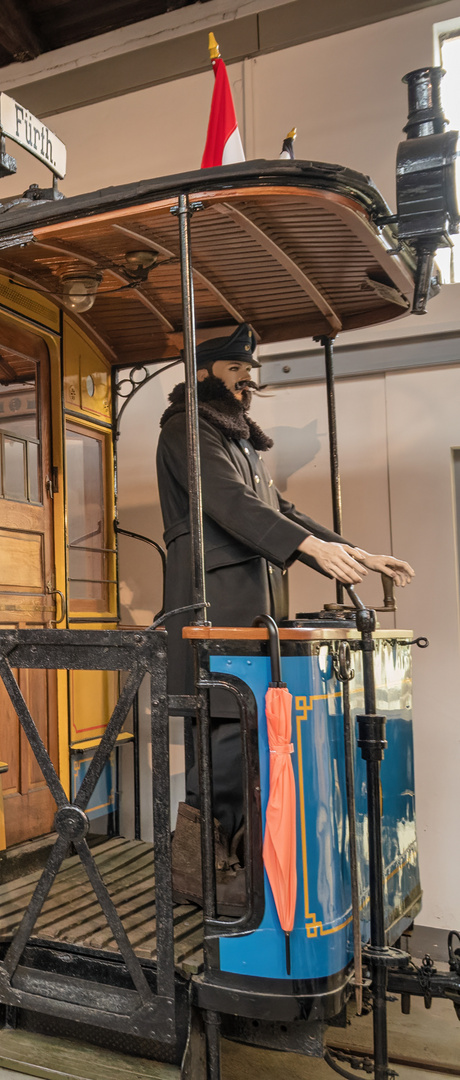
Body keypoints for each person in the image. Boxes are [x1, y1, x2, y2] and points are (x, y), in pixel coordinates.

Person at [156, 324, 414, 904]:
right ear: (203, 374)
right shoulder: (186, 429)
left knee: (244, 746)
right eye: (235, 369)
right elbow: (230, 503)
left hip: (247, 614)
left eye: (250, 370)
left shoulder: (234, 438)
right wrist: (311, 549)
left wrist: (349, 552)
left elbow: (279, 509)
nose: (248, 379)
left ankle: (232, 875)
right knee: (220, 749)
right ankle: (202, 878)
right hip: (212, 608)